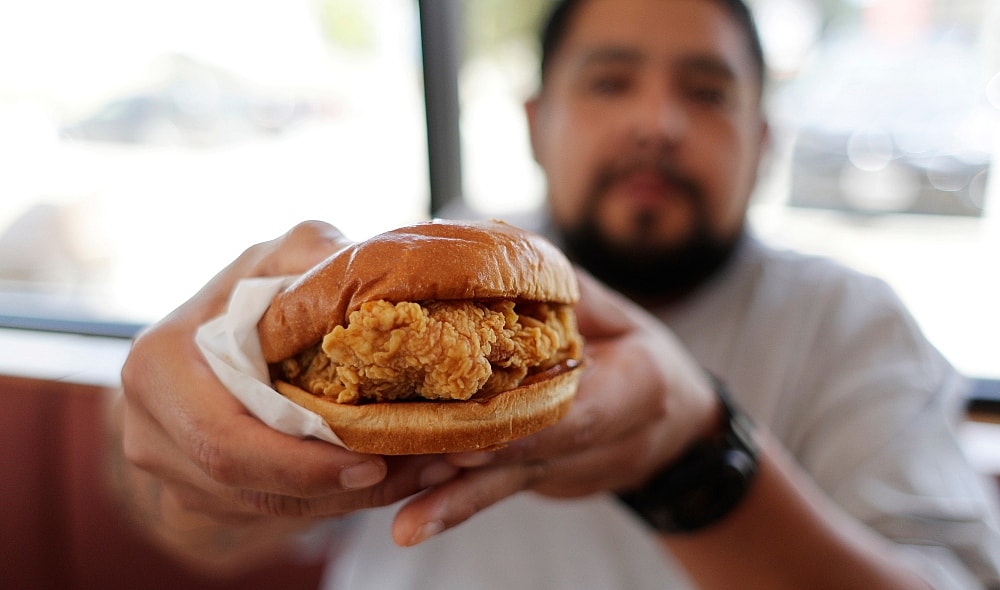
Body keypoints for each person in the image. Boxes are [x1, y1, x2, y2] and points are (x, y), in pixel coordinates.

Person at [111, 0, 1000, 588]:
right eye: (610, 82)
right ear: (539, 123)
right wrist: (186, 450)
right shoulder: (406, 270)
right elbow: (205, 538)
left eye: (707, 91)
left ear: (763, 140)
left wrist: (693, 452)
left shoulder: (852, 327)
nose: (656, 122)